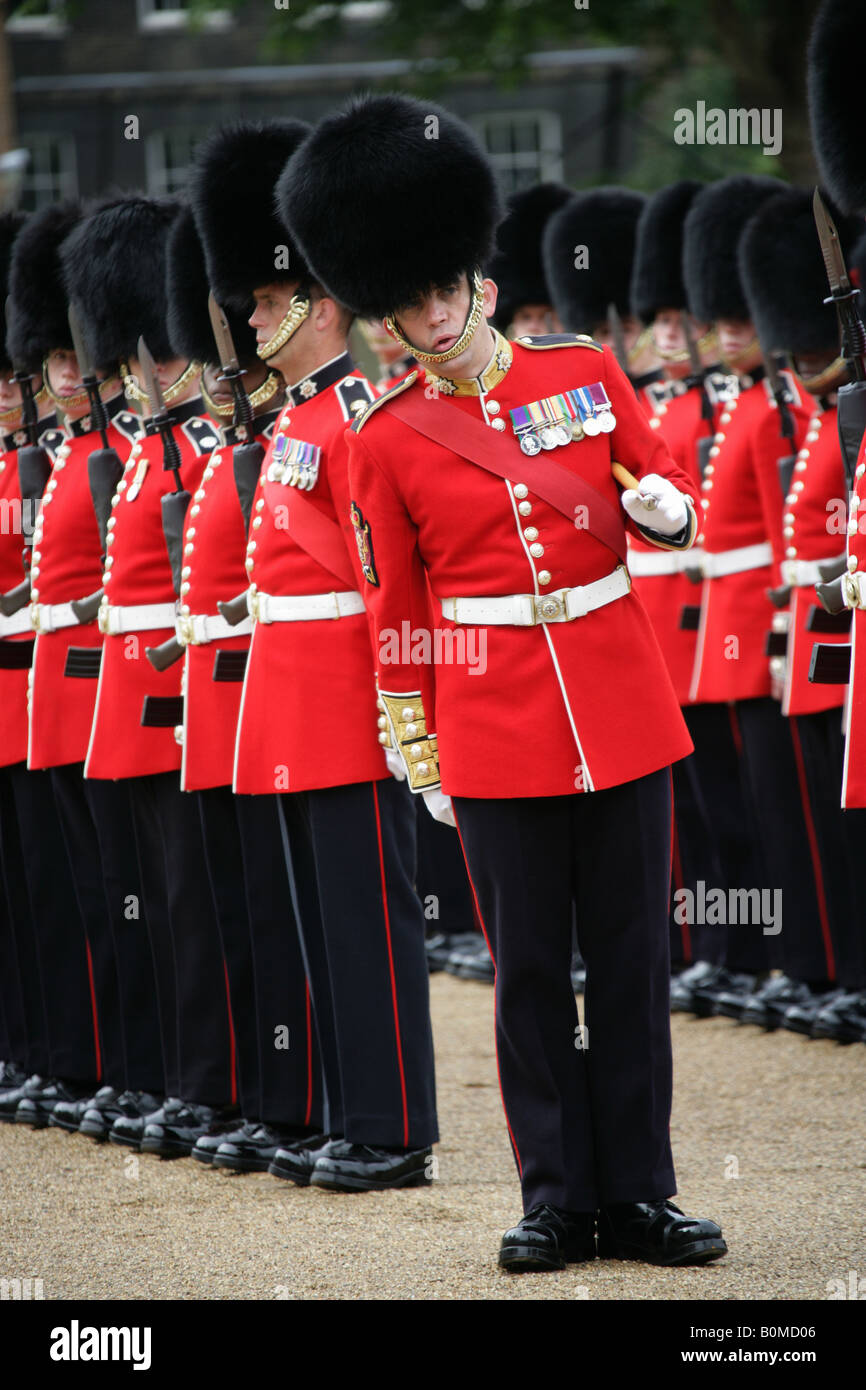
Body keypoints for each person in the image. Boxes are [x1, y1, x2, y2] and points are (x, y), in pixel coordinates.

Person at [279, 91, 727, 1270]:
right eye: (406, 301)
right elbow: (400, 605)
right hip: (490, 722)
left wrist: (666, 510)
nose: (429, 315)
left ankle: (639, 1193)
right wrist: (418, 742)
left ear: (473, 274)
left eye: (442, 288)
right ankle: (553, 1197)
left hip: (618, 709)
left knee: (630, 969)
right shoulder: (383, 437)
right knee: (528, 974)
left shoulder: (580, 371)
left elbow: (664, 479)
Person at [191, 118, 438, 1191]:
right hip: (289, 699)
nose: (248, 316)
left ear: (317, 302)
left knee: (362, 920)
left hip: (343, 695)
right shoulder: (298, 418)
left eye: (262, 298)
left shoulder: (358, 416)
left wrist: (402, 712)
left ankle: (390, 1127)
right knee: (308, 923)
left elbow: (383, 579)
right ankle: (340, 1108)